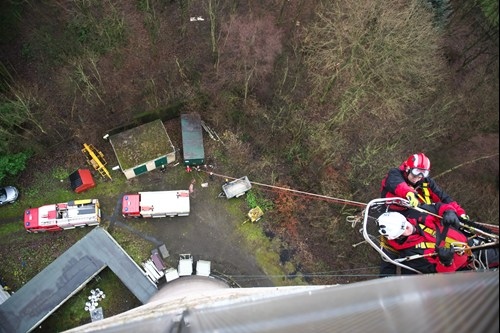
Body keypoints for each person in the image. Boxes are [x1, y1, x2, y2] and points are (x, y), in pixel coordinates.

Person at [376, 203, 498, 274]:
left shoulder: (420, 215)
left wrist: (448, 211)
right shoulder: (411, 256)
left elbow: (438, 206)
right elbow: (439, 275)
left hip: (476, 243)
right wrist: (446, 262)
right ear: (397, 236)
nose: (409, 227)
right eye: (403, 230)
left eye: (406, 223)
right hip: (469, 265)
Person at [380, 152, 467, 219]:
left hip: (413, 214)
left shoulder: (425, 181)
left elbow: (443, 197)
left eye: (423, 173)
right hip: (391, 213)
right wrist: (409, 194)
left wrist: (460, 213)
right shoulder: (395, 174)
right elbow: (399, 185)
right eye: (416, 172)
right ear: (408, 169)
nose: (418, 177)